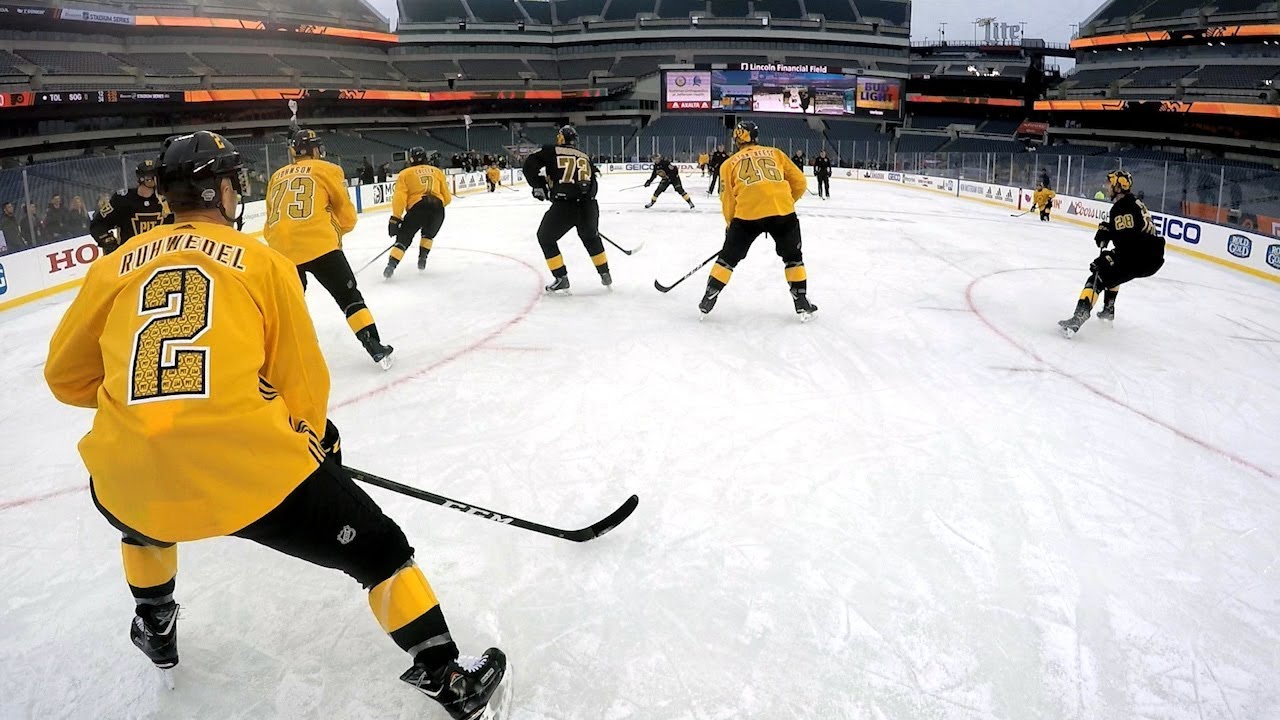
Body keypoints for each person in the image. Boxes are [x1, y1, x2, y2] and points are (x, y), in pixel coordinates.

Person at [43, 130, 508, 719]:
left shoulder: (111, 269)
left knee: (142, 511)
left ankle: (156, 626)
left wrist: (149, 408)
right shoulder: (262, 260)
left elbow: (65, 378)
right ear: (221, 192)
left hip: (126, 475)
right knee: (381, 550)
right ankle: (449, 680)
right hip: (251, 476)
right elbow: (303, 384)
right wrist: (315, 440)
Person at [265, 128, 394, 369]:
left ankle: (281, 361)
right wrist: (335, 234)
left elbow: (270, 219)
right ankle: (374, 345)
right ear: (314, 149)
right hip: (321, 246)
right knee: (349, 298)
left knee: (289, 308)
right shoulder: (328, 169)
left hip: (281, 251)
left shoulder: (276, 176)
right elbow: (346, 215)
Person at [699, 120, 815, 321]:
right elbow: (800, 182)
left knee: (728, 259)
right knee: (793, 257)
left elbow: (727, 199)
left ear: (736, 139)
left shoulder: (728, 164)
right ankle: (801, 301)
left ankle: (710, 295)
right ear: (756, 136)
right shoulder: (776, 153)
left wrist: (730, 225)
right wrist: (787, 202)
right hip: (782, 212)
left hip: (747, 216)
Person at [1058, 170, 1165, 337]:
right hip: (1149, 255)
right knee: (1114, 271)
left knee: (1099, 273)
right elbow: (1129, 233)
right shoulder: (1133, 202)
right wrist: (1108, 230)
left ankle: (1079, 317)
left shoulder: (1122, 207)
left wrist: (1107, 236)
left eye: (1110, 183)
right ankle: (1108, 309)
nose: (1106, 186)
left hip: (1139, 254)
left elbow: (1127, 240)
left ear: (1119, 186)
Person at [521, 125, 610, 294]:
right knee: (591, 237)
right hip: (589, 205)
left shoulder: (551, 150)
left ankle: (561, 278)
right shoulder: (584, 156)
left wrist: (538, 186)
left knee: (545, 238)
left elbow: (529, 166)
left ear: (561, 138)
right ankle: (605, 273)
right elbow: (593, 180)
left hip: (565, 206)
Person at [386, 146, 451, 278]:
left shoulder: (405, 174)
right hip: (438, 208)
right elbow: (447, 198)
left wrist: (395, 218)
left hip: (417, 207)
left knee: (404, 239)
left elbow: (399, 198)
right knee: (428, 235)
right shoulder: (437, 172)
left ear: (411, 159)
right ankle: (422, 258)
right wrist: (433, 208)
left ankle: (391, 266)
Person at [90, 159, 174, 255]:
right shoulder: (123, 200)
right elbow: (98, 224)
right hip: (130, 259)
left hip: (160, 256)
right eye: (151, 175)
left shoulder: (167, 198)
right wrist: (107, 240)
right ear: (142, 178)